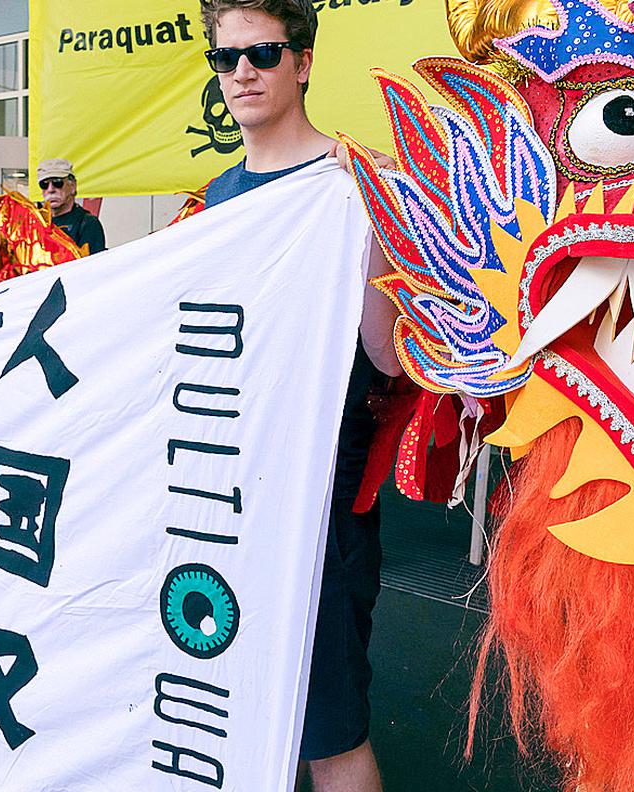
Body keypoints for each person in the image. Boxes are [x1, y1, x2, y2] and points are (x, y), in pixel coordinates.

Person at [197, 1, 399, 789]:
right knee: (236, 708)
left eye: (264, 54)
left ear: (303, 62)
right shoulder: (216, 197)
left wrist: (381, 232)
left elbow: (388, 354)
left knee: (329, 730)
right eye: (227, 59)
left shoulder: (354, 185)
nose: (243, 72)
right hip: (223, 491)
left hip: (321, 499)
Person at [36, 158, 106, 254]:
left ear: (73, 186)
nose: (50, 189)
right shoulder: (36, 223)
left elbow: (93, 266)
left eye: (57, 182)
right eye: (44, 184)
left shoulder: (87, 223)